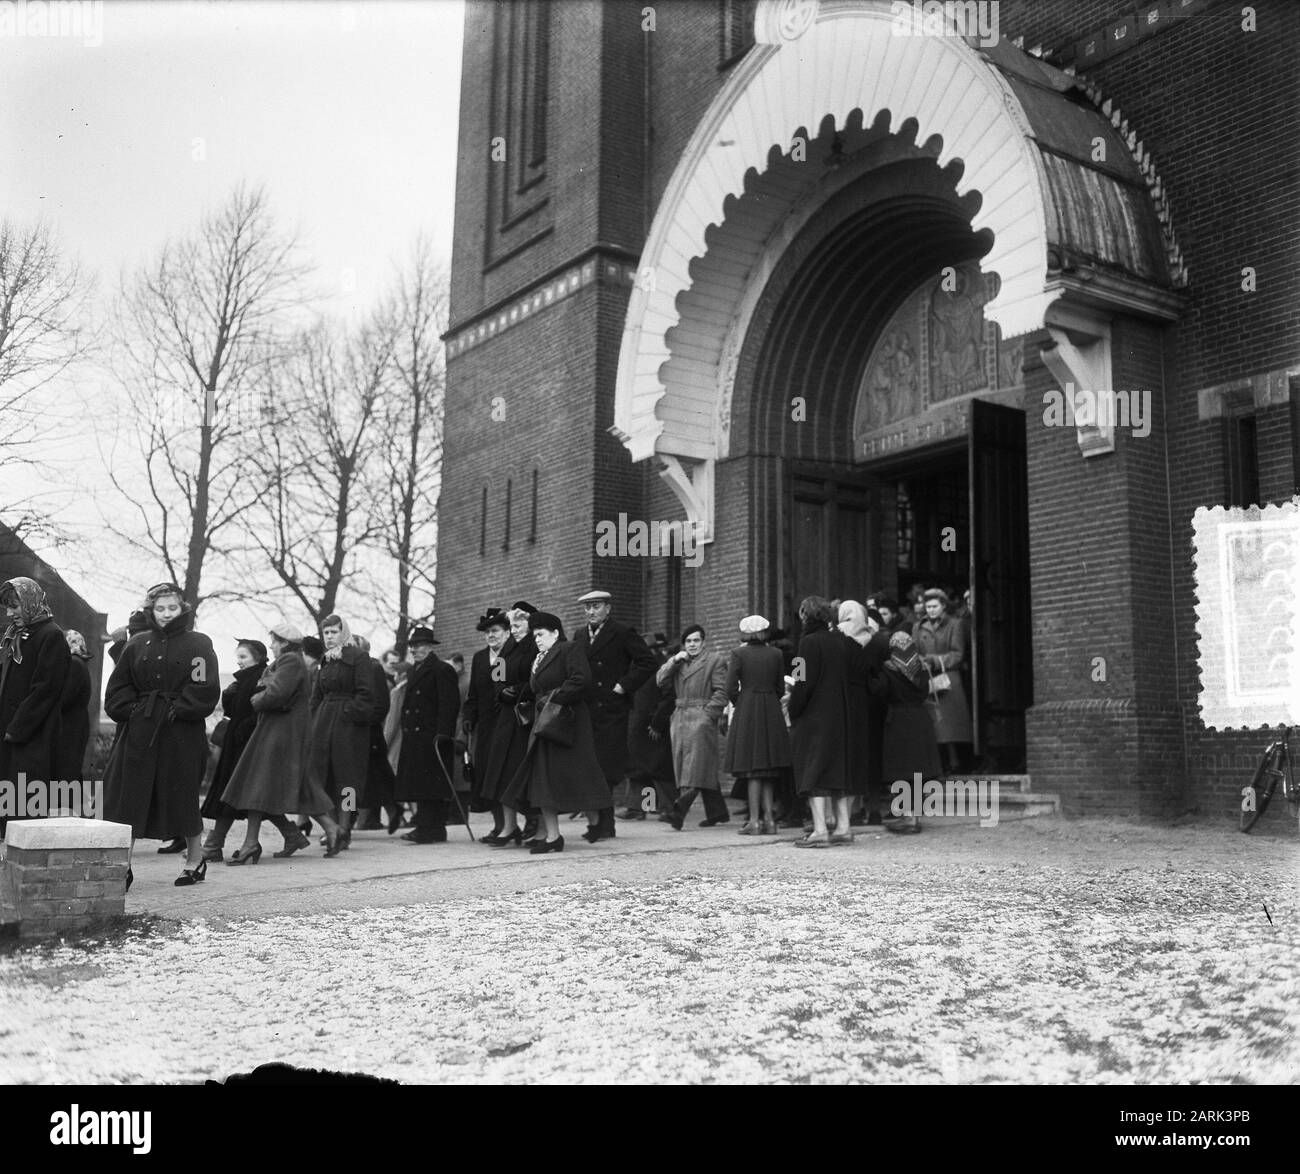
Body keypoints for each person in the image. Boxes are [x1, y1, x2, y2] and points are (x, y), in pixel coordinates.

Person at [103, 583, 220, 887]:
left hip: (180, 731)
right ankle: (122, 866)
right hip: (139, 729)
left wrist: (179, 709)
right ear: (151, 611)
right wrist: (131, 710)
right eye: (160, 609)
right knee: (127, 796)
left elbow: (204, 686)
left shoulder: (197, 644)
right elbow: (119, 685)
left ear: (183, 609)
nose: (166, 614)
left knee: (181, 796)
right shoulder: (137, 644)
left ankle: (196, 860)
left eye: (172, 608)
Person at [221, 622, 344, 859]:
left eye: (275, 641)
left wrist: (255, 699)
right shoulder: (293, 662)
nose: (271, 645)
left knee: (258, 784)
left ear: (285, 643)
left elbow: (276, 693)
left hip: (280, 732)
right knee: (289, 787)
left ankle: (251, 844)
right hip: (282, 731)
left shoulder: (289, 661)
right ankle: (330, 829)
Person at [500, 611, 610, 854]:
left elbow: (581, 680)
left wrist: (554, 698)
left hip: (567, 722)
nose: (536, 639)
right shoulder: (539, 658)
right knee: (543, 780)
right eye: (535, 635)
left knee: (576, 774)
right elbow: (534, 688)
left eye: (540, 634)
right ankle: (553, 836)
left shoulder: (569, 649)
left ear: (555, 633)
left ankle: (595, 820)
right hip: (545, 724)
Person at [572, 589, 656, 841]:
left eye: (596, 606)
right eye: (587, 607)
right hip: (587, 710)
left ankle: (605, 825)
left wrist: (623, 685)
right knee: (590, 767)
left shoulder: (621, 632)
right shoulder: (579, 635)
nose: (591, 612)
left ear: (608, 608)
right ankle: (598, 822)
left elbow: (647, 662)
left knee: (606, 768)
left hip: (611, 710)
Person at [0, 577, 71, 836]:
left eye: (15, 606)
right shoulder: (14, 635)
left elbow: (46, 690)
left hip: (30, 736)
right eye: (8, 606)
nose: (10, 613)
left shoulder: (51, 636)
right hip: (7, 730)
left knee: (22, 805)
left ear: (31, 602)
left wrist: (16, 729)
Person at [787, 595, 854, 848]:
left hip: (814, 717)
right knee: (836, 769)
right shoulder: (841, 641)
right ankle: (844, 828)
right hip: (840, 713)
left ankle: (819, 830)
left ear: (806, 615)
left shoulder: (807, 643)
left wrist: (794, 708)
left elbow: (800, 681)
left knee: (812, 771)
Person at [303, 615, 374, 850]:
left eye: (334, 632)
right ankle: (332, 827)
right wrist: (312, 721)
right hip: (323, 723)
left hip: (349, 727)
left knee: (347, 779)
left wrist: (348, 712)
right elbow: (316, 696)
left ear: (343, 633)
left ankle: (345, 827)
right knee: (324, 775)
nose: (330, 637)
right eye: (326, 633)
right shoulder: (325, 661)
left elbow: (366, 694)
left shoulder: (359, 658)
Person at [867, 630, 943, 834]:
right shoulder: (922, 667)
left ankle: (907, 816)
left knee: (902, 772)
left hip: (898, 721)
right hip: (920, 719)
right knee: (918, 773)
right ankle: (915, 817)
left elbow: (878, 691)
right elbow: (925, 691)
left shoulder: (888, 668)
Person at [200, 639, 268, 860]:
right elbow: (235, 709)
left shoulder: (259, 678)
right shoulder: (244, 679)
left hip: (246, 744)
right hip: (237, 742)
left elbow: (256, 711)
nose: (238, 662)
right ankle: (215, 844)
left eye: (243, 657)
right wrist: (229, 695)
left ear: (256, 657)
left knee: (236, 793)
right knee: (233, 793)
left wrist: (244, 727)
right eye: (237, 657)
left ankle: (214, 844)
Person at [723, 615, 790, 835]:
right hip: (771, 707)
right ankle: (770, 820)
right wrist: (769, 698)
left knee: (752, 768)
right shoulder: (776, 654)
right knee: (768, 768)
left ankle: (754, 820)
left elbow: (730, 687)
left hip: (748, 708)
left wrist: (740, 703)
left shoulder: (738, 653)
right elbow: (780, 687)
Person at [658, 624, 729, 830]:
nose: (692, 645)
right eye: (688, 641)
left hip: (701, 715)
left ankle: (678, 810)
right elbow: (660, 681)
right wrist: (673, 660)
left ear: (703, 642)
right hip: (680, 716)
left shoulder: (715, 661)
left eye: (696, 640)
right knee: (691, 764)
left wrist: (708, 716)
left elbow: (721, 691)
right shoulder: (680, 662)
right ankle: (718, 812)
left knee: (695, 766)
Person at [477, 605, 537, 847]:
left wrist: (520, 691)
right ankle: (508, 826)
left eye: (519, 626)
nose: (515, 631)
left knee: (522, 772)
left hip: (526, 716)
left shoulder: (534, 646)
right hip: (506, 716)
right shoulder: (508, 650)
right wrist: (503, 692)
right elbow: (498, 679)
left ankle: (534, 824)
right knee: (503, 773)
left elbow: (537, 676)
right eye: (512, 626)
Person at [395, 626, 461, 844]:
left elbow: (449, 705)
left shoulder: (442, 670)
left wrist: (444, 734)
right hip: (416, 736)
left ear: (431, 647)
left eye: (420, 645)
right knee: (421, 782)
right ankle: (428, 827)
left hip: (432, 736)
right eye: (412, 646)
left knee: (433, 782)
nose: (415, 650)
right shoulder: (414, 670)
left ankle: (431, 827)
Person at [913, 588, 974, 773]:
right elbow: (914, 651)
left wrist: (935, 660)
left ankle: (958, 762)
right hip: (928, 677)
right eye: (928, 606)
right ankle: (939, 764)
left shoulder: (955, 624)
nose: (931, 610)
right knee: (933, 724)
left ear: (943, 606)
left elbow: (958, 654)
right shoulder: (918, 626)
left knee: (953, 724)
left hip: (949, 678)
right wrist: (921, 662)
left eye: (934, 606)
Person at [464, 608, 511, 840]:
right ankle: (499, 824)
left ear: (506, 632)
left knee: (506, 775)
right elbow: (473, 693)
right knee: (486, 775)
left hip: (508, 724)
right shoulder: (480, 658)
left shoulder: (512, 655)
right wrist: (468, 717)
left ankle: (523, 825)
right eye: (487, 632)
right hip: (486, 727)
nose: (491, 636)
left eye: (495, 631)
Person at [621, 632, 677, 820]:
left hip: (654, 727)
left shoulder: (663, 670)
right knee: (639, 769)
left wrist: (657, 723)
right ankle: (643, 807)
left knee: (659, 769)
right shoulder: (637, 668)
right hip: (638, 725)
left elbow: (669, 698)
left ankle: (669, 808)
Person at [351, 633, 400, 833]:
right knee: (351, 779)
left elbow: (382, 704)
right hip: (351, 734)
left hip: (370, 734)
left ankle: (393, 809)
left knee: (379, 778)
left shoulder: (373, 668)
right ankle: (347, 820)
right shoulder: (348, 668)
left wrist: (365, 721)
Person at [53, 629, 94, 801]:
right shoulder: (78, 663)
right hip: (75, 723)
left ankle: (70, 810)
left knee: (66, 769)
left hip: (70, 725)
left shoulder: (74, 664)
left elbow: (64, 698)